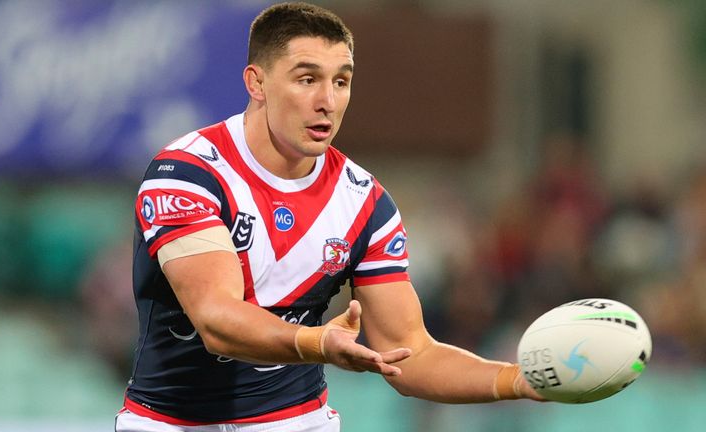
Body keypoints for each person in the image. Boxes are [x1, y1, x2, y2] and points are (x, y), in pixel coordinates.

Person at [117, 2, 542, 431]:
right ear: (256, 83)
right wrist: (316, 342)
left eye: (341, 81)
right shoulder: (188, 174)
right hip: (172, 423)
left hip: (297, 422)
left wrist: (517, 381)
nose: (327, 101)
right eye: (307, 79)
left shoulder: (364, 203)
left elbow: (410, 353)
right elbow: (216, 319)